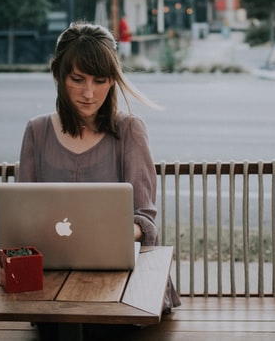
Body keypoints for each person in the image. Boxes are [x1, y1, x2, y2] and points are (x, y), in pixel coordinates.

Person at [17, 21, 180, 339]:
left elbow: (145, 222)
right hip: (52, 284)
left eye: (100, 80)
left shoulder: (130, 130)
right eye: (77, 80)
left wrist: (106, 233)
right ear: (59, 75)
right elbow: (22, 216)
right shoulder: (36, 132)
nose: (89, 93)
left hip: (122, 285)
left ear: (113, 81)